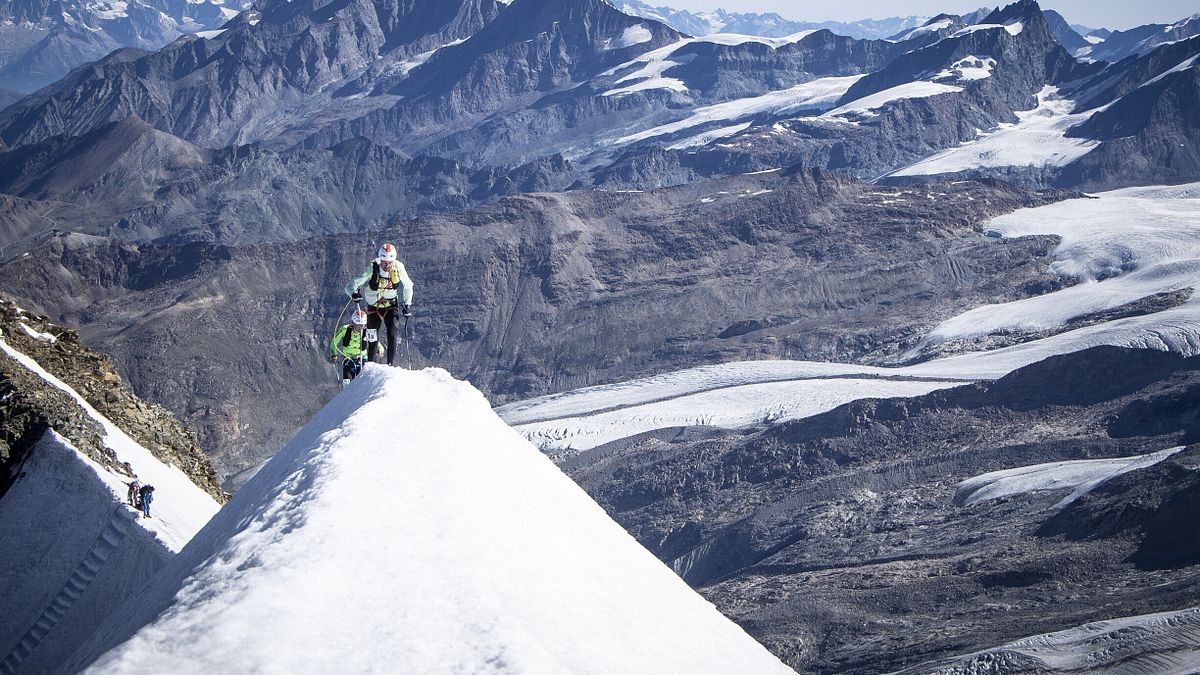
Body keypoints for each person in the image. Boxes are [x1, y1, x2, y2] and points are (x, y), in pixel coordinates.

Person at [344, 243, 414, 366]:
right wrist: (353, 294)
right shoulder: (372, 268)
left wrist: (407, 304)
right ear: (380, 259)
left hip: (391, 305)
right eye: (384, 261)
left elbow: (408, 285)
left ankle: (390, 365)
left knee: (392, 335)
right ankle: (370, 366)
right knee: (372, 338)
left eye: (389, 262)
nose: (386, 265)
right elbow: (351, 285)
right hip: (374, 307)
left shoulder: (398, 267)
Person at [330, 309, 369, 384]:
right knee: (347, 383)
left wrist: (380, 348)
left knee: (362, 384)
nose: (361, 327)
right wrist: (333, 355)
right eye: (359, 325)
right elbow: (334, 342)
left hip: (362, 360)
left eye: (363, 325)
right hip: (348, 360)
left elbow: (373, 341)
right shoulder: (344, 329)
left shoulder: (366, 331)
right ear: (354, 323)